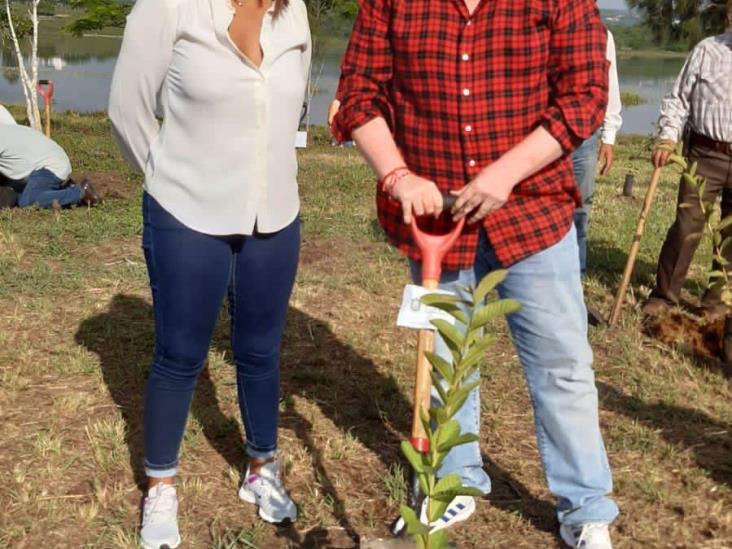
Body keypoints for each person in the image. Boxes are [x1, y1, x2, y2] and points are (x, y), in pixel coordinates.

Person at [332, 0, 618, 547]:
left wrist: (505, 174)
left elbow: (585, 96)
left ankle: (585, 506)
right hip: (434, 215)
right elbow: (358, 91)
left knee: (562, 364)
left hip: (531, 210)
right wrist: (396, 174)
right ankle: (455, 479)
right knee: (445, 360)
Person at [108, 0, 311, 546]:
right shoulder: (168, 7)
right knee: (179, 355)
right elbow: (126, 107)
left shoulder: (293, 13)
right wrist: (168, 179)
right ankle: (161, 485)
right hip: (186, 213)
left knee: (262, 350)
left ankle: (262, 467)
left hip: (274, 214)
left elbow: (292, 111)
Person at [643, 10, 732, 318]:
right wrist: (668, 137)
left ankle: (716, 304)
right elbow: (679, 99)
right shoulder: (708, 50)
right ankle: (664, 298)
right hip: (706, 154)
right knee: (687, 226)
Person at [572, 29, 623, 274]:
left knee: (581, 208)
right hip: (541, 138)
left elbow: (609, 84)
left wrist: (609, 136)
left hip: (585, 139)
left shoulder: (602, 35)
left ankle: (577, 272)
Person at [0, 124, 100, 209]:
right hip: (45, 161)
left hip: (50, 167)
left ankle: (79, 192)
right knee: (17, 194)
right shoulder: (4, 129)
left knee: (27, 201)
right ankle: (59, 189)